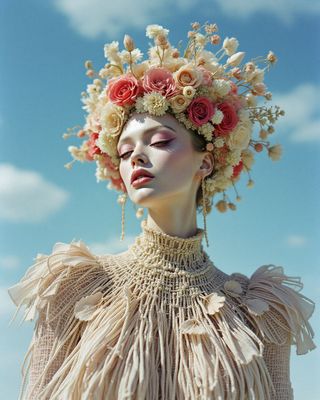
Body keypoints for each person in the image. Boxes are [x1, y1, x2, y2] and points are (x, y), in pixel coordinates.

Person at [7, 22, 316, 400]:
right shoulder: (74, 286)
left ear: (206, 163)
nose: (136, 156)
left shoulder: (260, 311)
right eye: (124, 151)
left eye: (159, 140)